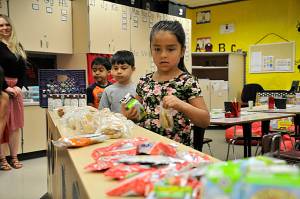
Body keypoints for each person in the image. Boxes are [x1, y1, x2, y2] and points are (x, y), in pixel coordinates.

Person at [122, 20, 210, 146]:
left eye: (170, 49)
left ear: (182, 51)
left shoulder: (187, 81)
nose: (163, 55)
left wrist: (181, 105)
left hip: (175, 152)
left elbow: (204, 120)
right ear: (151, 50)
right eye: (157, 49)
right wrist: (130, 114)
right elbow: (140, 115)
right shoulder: (144, 81)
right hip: (147, 147)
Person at [0, 14, 27, 170]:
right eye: (1, 26)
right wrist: (4, 87)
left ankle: (14, 156)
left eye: (7, 25)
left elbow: (23, 71)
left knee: (15, 126)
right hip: (2, 90)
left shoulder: (17, 46)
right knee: (2, 126)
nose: (4, 28)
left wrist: (19, 87)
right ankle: (2, 159)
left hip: (16, 90)